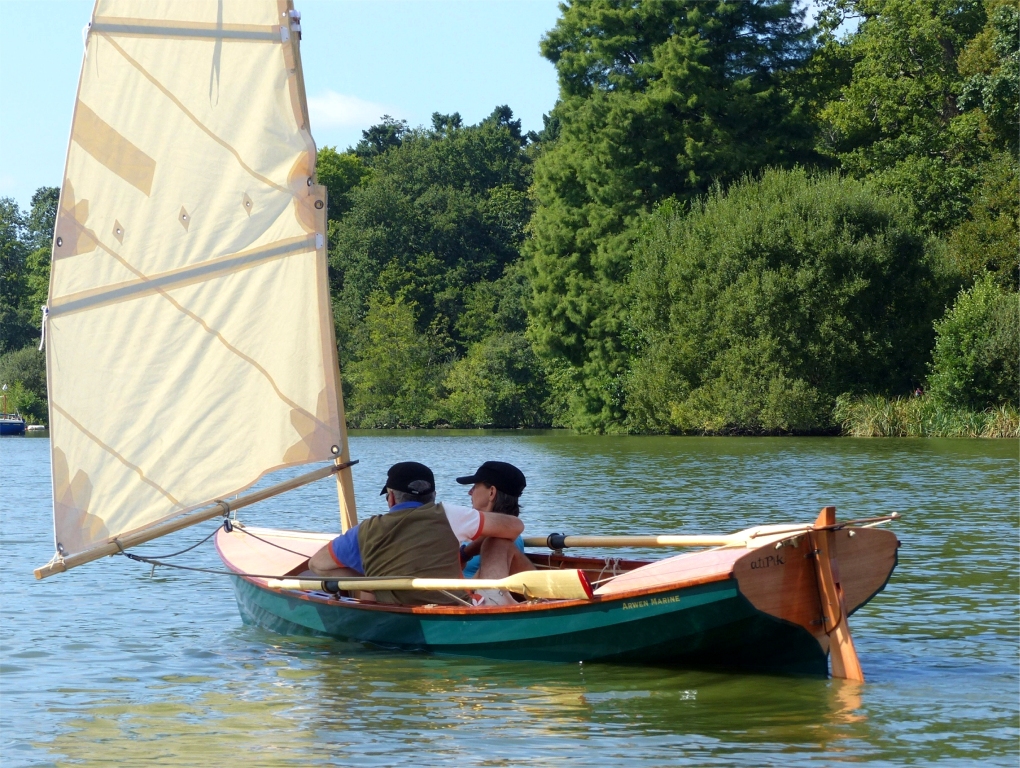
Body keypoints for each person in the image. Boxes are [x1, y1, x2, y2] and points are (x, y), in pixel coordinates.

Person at [308, 461, 523, 606]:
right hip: (457, 607)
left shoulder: (363, 530)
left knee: (366, 579)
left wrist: (371, 582)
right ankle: (501, 601)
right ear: (433, 496)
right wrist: (468, 551)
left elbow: (317, 564)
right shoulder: (450, 514)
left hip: (395, 612)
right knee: (498, 541)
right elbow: (515, 526)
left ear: (391, 498)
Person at [456, 461, 535, 589]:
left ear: (491, 492)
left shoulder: (502, 541)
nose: (470, 492)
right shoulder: (472, 532)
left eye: (475, 486)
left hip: (467, 597)